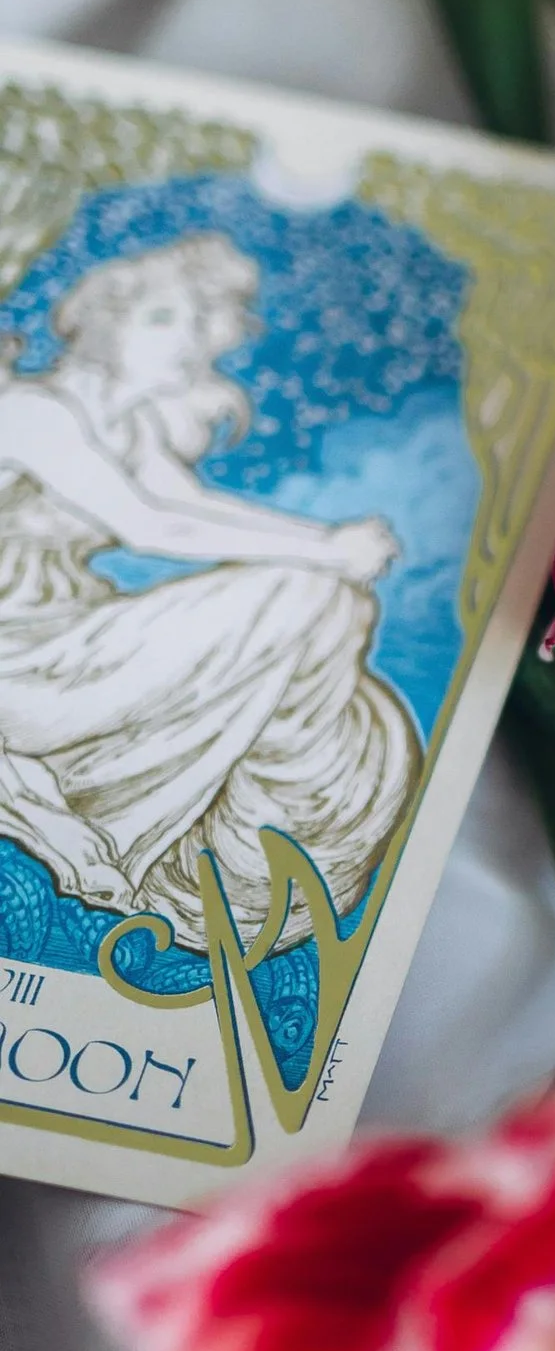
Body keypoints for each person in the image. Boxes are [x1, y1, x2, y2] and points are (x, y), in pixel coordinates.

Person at [0, 233, 416, 950]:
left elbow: (200, 509)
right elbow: (150, 525)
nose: (186, 341)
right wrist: (323, 549)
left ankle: (207, 832)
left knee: (323, 600)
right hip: (19, 656)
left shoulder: (128, 427)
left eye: (196, 323)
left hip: (64, 633)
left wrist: (325, 547)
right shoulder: (34, 411)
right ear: (102, 320)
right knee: (298, 594)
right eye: (163, 318)